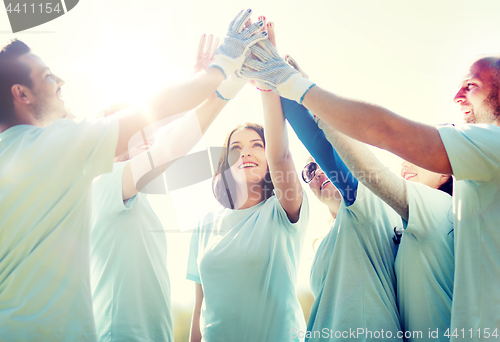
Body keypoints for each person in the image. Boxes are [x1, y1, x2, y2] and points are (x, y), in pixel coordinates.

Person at [0, 9, 266, 341]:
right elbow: (166, 144)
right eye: (49, 77)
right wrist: (225, 73)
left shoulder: (33, 163)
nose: (61, 83)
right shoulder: (97, 176)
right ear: (21, 94)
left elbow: (159, 132)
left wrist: (197, 87)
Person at [243, 38, 500, 341]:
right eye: (309, 170)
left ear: (447, 170)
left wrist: (290, 85)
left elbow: (373, 146)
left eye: (470, 85)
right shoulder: (433, 219)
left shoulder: (438, 208)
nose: (407, 160)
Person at [90, 33, 248, 342]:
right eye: (137, 131)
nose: (147, 135)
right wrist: (229, 83)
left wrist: (196, 87)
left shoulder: (135, 194)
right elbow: (169, 150)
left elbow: (169, 140)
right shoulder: (105, 183)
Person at [186, 72, 309, 341]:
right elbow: (200, 309)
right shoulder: (204, 224)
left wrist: (268, 83)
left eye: (257, 145)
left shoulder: (282, 210)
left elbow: (282, 155)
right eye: (236, 147)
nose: (246, 153)